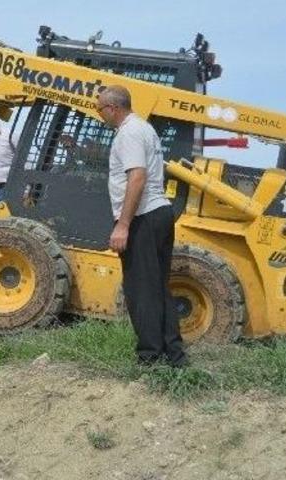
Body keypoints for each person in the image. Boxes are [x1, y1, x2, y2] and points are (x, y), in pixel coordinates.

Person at [97, 85, 186, 368]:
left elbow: (137, 177)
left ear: (112, 108)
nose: (100, 115)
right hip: (159, 214)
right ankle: (173, 354)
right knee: (158, 286)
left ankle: (150, 357)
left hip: (143, 217)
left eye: (100, 109)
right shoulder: (144, 129)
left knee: (141, 291)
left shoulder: (129, 133)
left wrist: (123, 225)